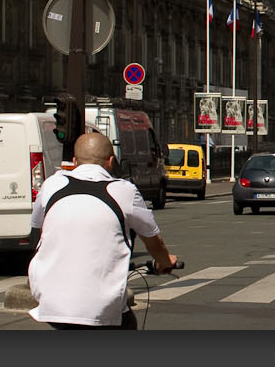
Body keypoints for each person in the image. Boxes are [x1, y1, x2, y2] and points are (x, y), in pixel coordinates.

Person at [28, 132, 176, 330]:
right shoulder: (124, 191)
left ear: (74, 161)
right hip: (101, 307)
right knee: (126, 323)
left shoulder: (51, 185)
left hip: (52, 303)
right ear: (111, 161)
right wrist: (165, 262)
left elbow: (38, 226)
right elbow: (154, 243)